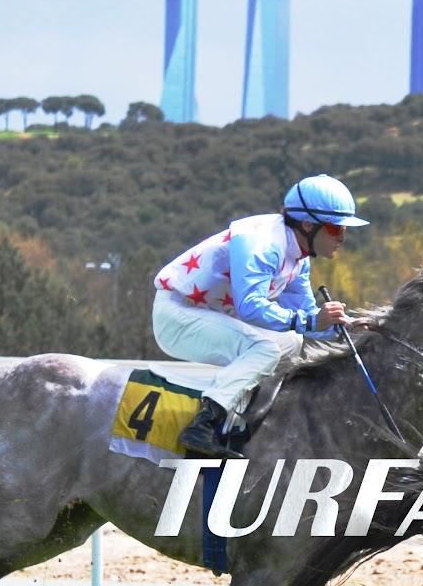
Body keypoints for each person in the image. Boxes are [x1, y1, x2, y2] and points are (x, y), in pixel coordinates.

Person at [152, 174, 369, 459]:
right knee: (265, 348)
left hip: (208, 315)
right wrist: (312, 321)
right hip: (178, 315)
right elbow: (250, 307)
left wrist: (345, 327)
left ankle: (254, 416)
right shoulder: (263, 242)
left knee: (291, 342)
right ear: (307, 225)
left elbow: (307, 318)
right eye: (335, 227)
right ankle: (202, 426)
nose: (342, 237)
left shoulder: (299, 256)